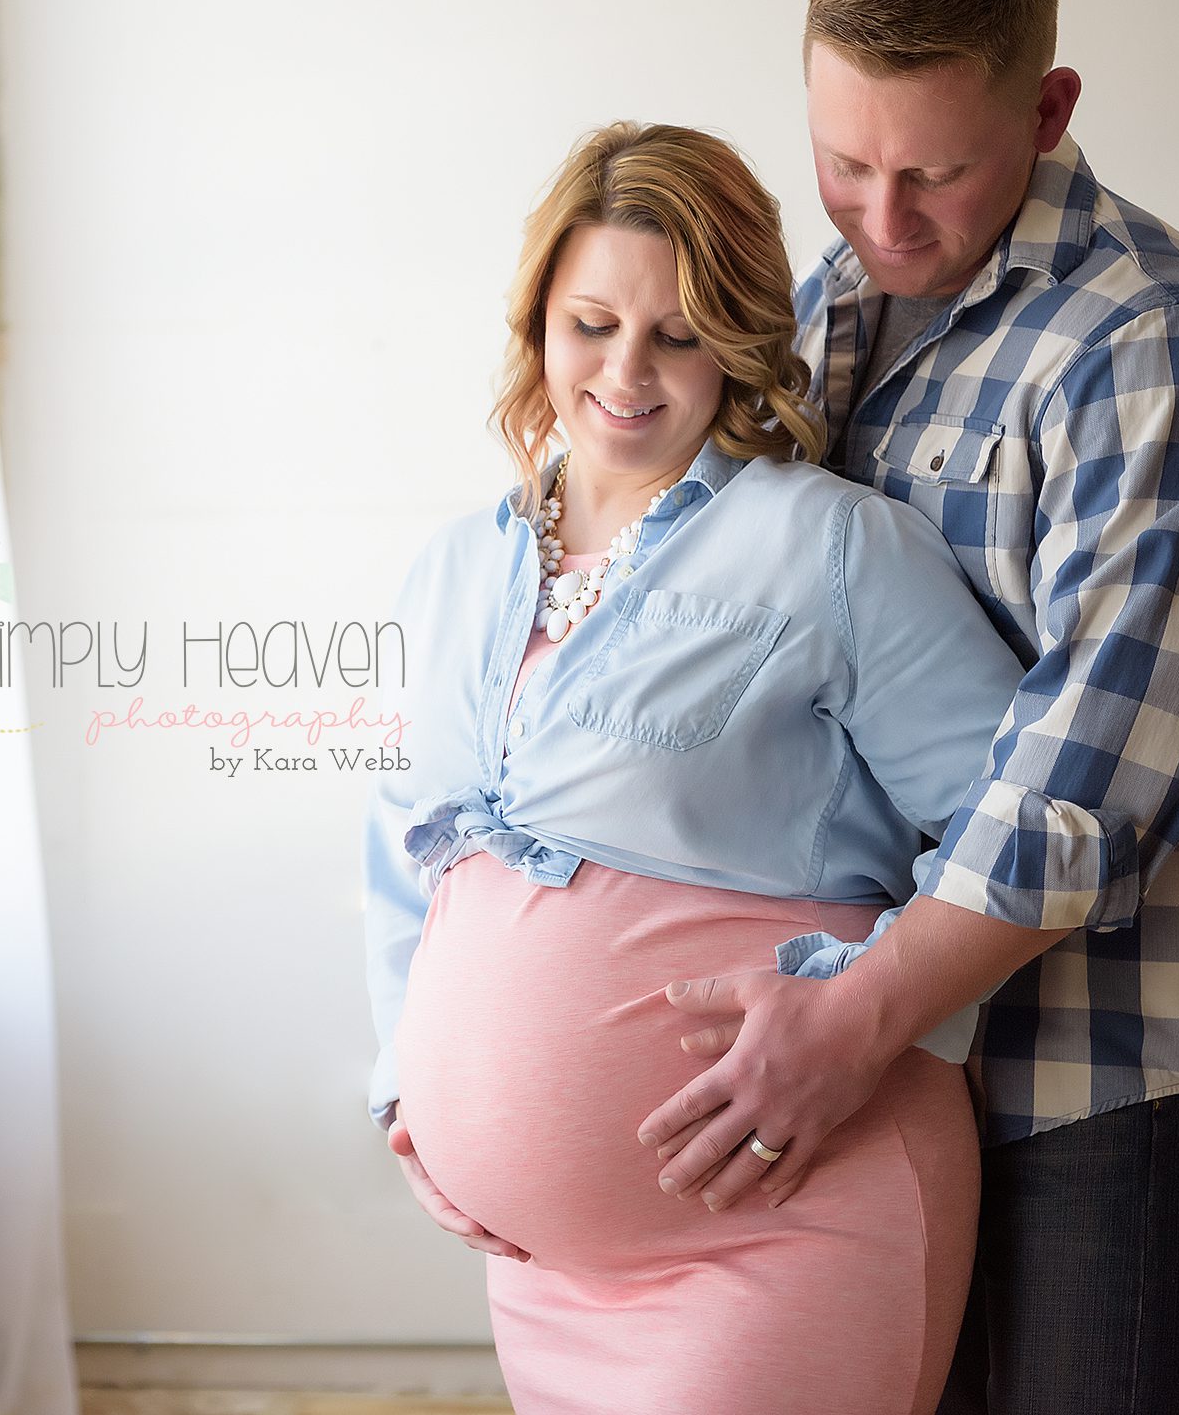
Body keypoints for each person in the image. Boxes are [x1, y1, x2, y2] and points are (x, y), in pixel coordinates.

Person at [638, 0, 1179, 1415]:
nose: (883, 219)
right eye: (845, 163)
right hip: (868, 1043)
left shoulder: (1160, 341)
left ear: (1050, 108)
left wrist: (854, 1017)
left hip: (1104, 1055)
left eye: (933, 170)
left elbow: (1095, 765)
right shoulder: (823, 311)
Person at [362, 119, 1029, 1414]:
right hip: (545, 1274)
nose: (626, 371)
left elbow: (1021, 825)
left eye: (677, 333)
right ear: (536, 319)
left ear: (736, 339)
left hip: (779, 1221)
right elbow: (404, 863)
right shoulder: (453, 569)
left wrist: (861, 1011)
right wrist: (409, 1091)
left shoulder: (833, 549)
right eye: (590, 322)